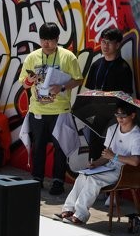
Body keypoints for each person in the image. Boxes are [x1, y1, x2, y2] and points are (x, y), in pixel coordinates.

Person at [18, 22, 84, 196]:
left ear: (57, 40)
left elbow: (78, 80)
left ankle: (58, 181)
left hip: (60, 110)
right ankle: (37, 179)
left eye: (50, 40)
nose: (46, 43)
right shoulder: (32, 57)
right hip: (38, 109)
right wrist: (30, 81)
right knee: (38, 145)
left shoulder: (68, 57)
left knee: (60, 147)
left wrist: (61, 87)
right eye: (43, 39)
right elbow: (23, 82)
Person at [57, 104, 140, 224]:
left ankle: (80, 215)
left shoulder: (136, 135)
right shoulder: (113, 129)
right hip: (109, 167)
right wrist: (95, 164)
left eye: (123, 116)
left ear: (133, 115)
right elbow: (106, 157)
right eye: (117, 115)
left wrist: (114, 156)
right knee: (82, 176)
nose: (119, 119)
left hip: (124, 171)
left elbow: (136, 161)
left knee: (93, 180)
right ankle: (69, 209)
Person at [83, 26, 135, 158]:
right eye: (103, 42)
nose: (105, 45)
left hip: (113, 118)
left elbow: (127, 96)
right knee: (94, 151)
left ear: (117, 45)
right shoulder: (96, 65)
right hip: (95, 115)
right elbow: (90, 90)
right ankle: (93, 175)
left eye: (109, 42)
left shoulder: (123, 68)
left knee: (108, 152)